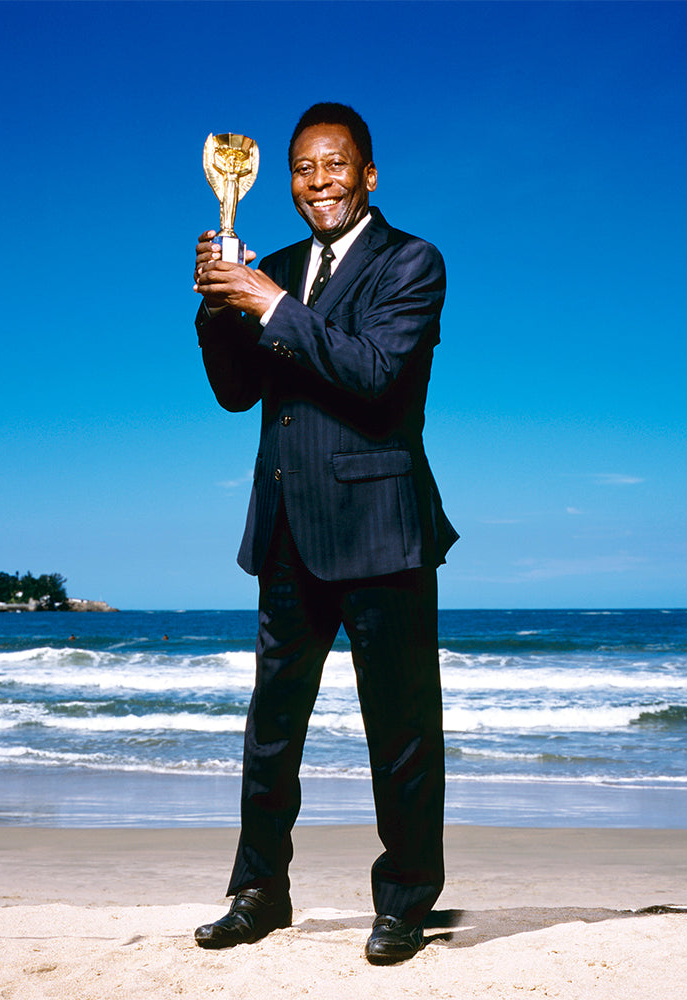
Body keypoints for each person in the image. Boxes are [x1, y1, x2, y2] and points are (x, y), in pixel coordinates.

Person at [191, 102, 457, 965]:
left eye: (335, 165)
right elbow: (237, 392)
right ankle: (259, 892)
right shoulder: (269, 265)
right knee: (271, 728)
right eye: (303, 169)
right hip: (284, 531)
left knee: (401, 729)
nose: (318, 182)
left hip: (382, 528)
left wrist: (267, 303)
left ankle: (405, 901)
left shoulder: (411, 262)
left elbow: (375, 374)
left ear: (367, 175)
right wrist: (218, 304)